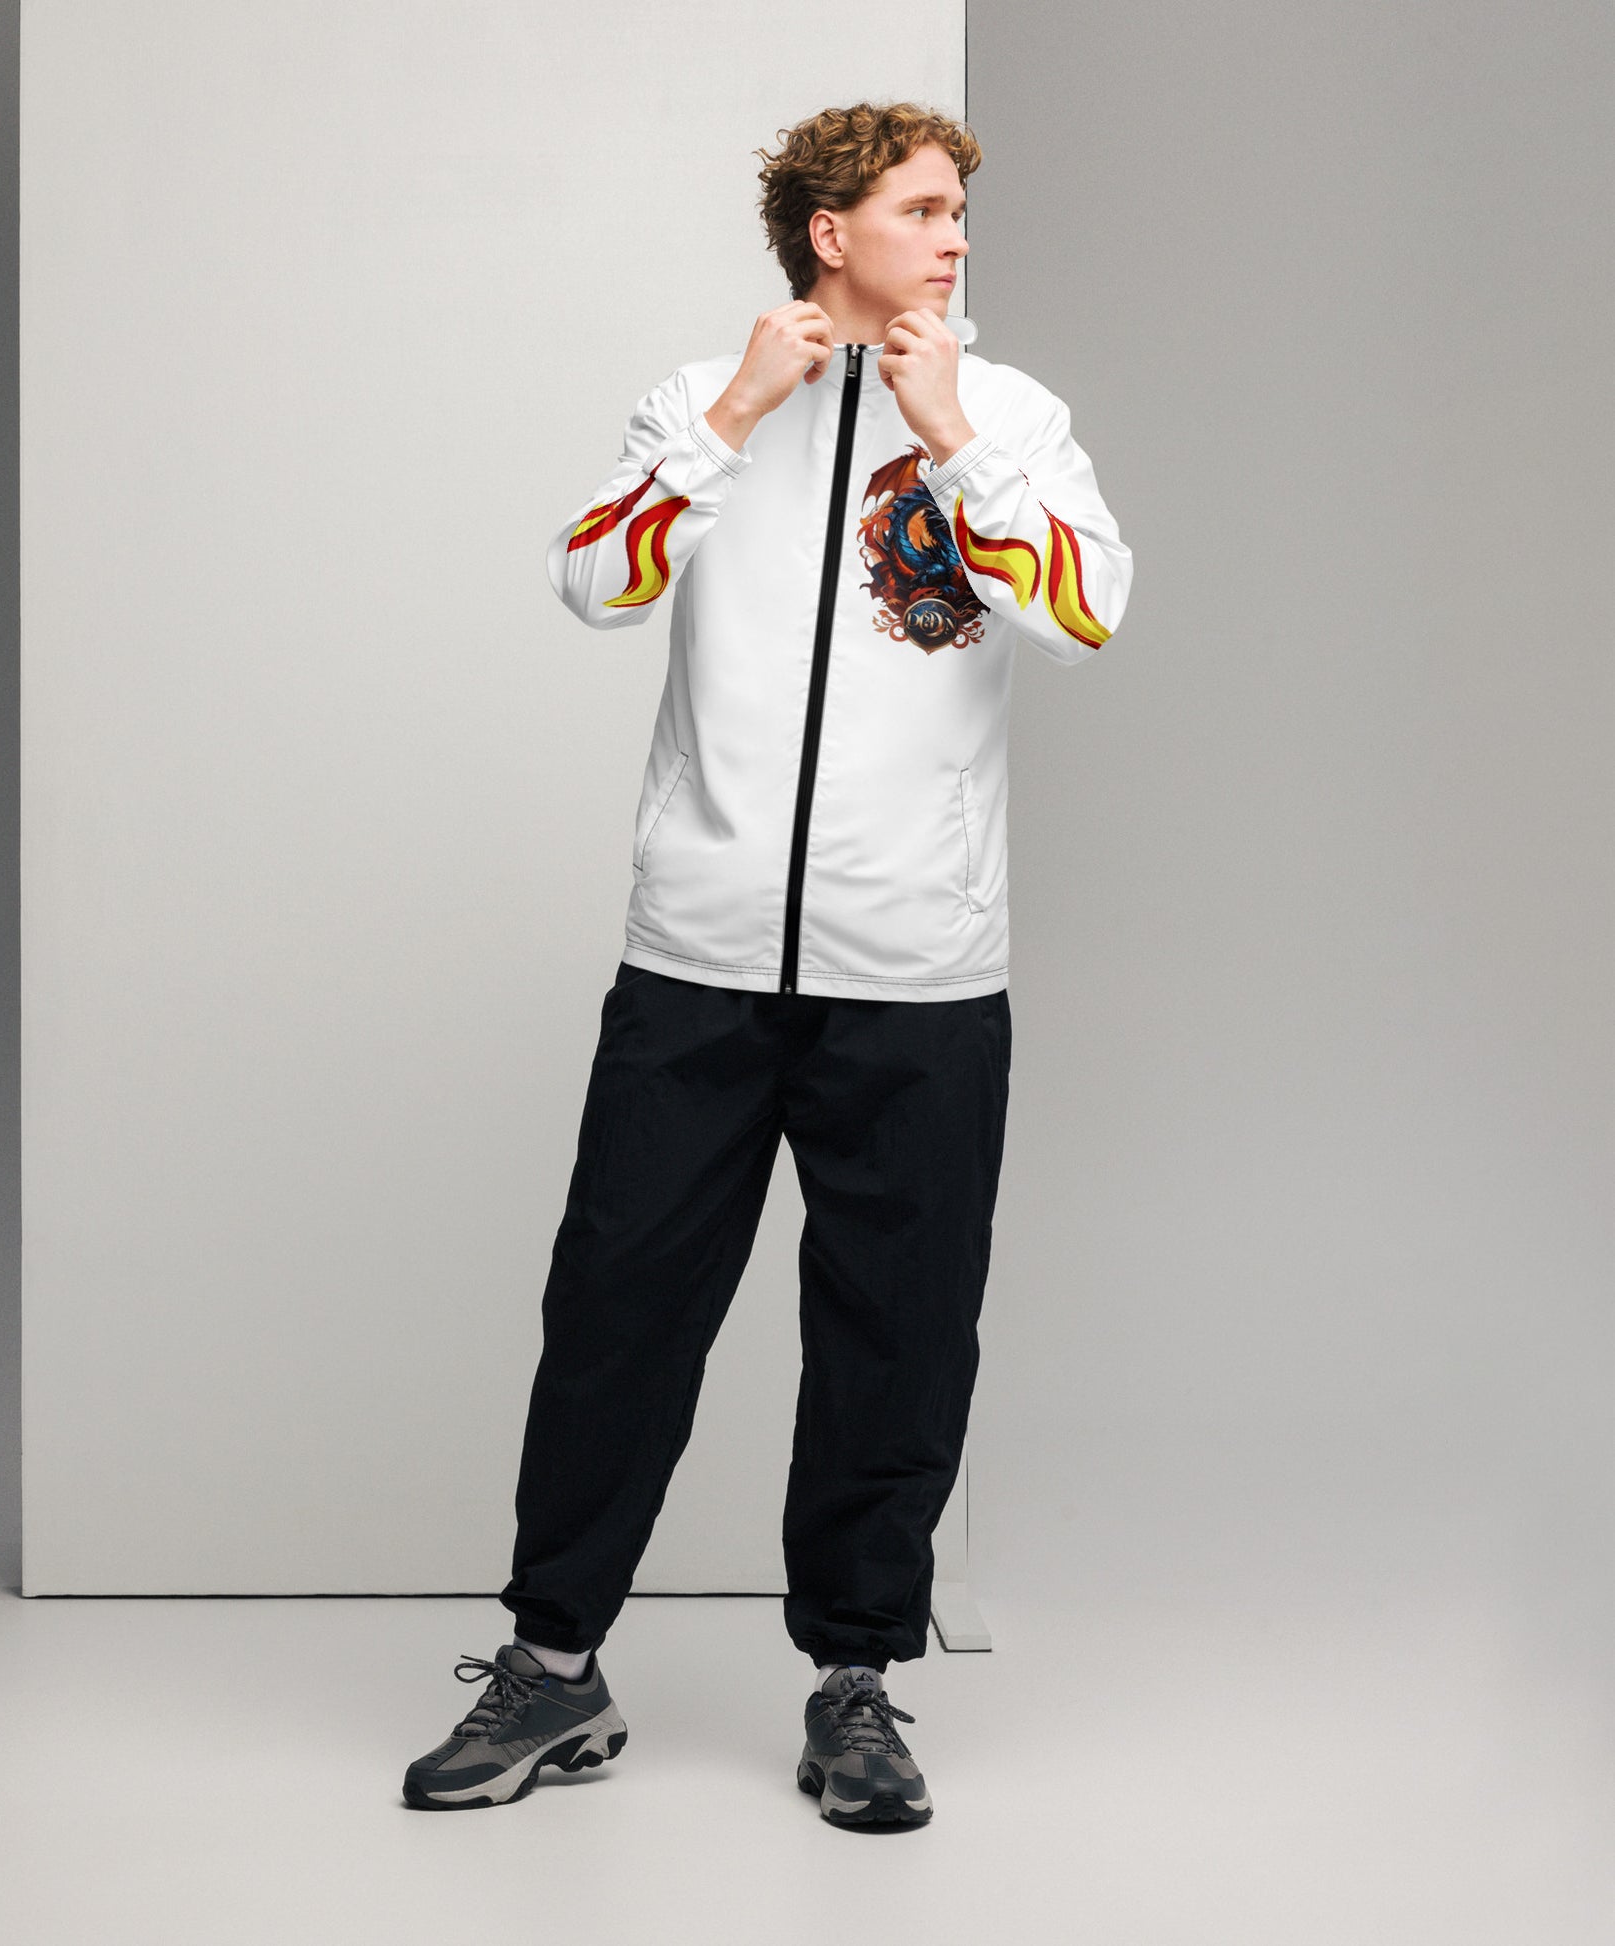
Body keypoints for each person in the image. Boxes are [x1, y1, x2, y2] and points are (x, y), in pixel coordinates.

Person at [402, 100, 1132, 1829]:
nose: (954, 239)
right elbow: (595, 583)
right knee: (615, 1313)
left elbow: (1083, 611)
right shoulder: (700, 399)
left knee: (897, 1335)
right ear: (830, 230)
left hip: (920, 974)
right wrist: (731, 417)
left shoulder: (1011, 414)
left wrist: (953, 441)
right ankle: (553, 1667)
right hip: (699, 961)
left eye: (956, 212)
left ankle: (855, 1683)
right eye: (923, 209)